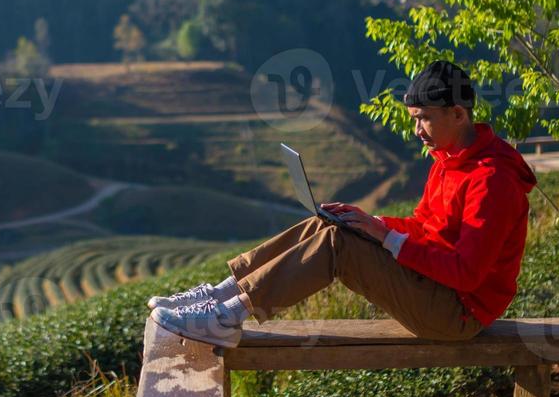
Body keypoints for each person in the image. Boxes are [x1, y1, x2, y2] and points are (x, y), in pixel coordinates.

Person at [148, 60, 537, 348]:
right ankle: (221, 294)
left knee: (338, 246)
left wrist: (385, 238)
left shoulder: (492, 180)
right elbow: (426, 225)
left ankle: (228, 317)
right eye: (414, 119)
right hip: (436, 288)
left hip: (457, 312)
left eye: (424, 119)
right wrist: (370, 221)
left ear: (458, 113)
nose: (417, 131)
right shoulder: (449, 159)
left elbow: (466, 273)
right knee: (329, 224)